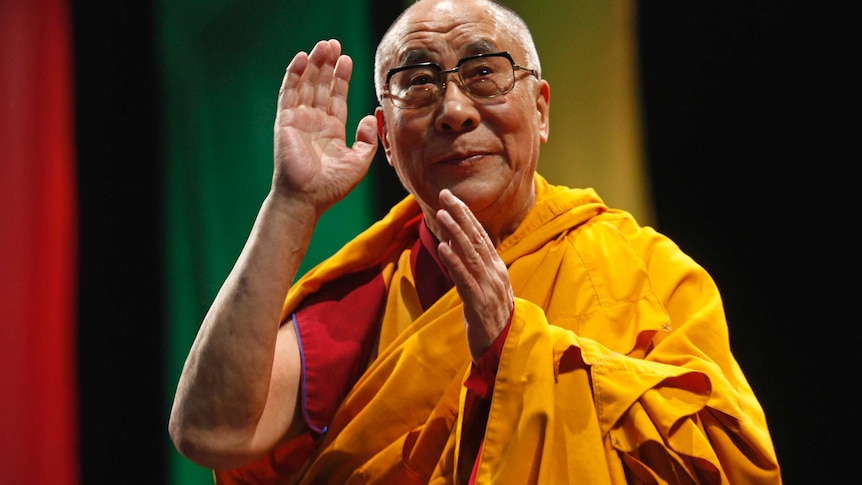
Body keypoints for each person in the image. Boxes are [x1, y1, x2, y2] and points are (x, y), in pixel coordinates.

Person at [169, 0, 782, 483]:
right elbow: (211, 432)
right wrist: (290, 206)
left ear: (540, 109)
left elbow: (731, 466)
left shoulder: (645, 273)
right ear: (384, 138)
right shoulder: (369, 300)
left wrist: (518, 350)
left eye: (485, 74)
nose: (454, 110)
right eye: (419, 82)